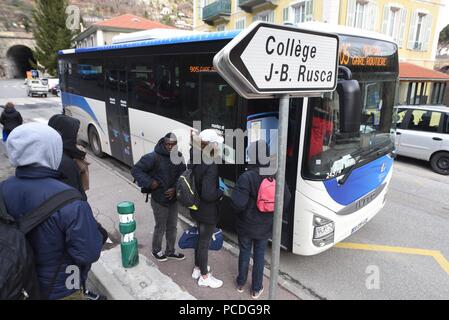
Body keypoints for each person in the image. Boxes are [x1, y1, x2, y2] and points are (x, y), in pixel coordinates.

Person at [0, 123, 103, 300]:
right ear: (51, 151)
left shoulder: (3, 189)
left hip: (16, 286)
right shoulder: (71, 200)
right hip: (62, 289)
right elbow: (88, 253)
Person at [48, 114, 107, 300]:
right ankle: (78, 289)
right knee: (75, 259)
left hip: (70, 216)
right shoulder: (63, 162)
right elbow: (74, 196)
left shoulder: (61, 156)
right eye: (72, 134)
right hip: (71, 218)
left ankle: (80, 287)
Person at [230, 140, 291, 299]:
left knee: (244, 252)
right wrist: (272, 213)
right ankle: (256, 288)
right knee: (259, 255)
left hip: (245, 225)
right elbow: (287, 197)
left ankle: (241, 283)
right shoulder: (275, 173)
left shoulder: (247, 176)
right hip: (265, 225)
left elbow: (238, 203)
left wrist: (242, 214)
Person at [131, 133, 186, 261]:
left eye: (173, 144)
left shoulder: (178, 156)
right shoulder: (153, 157)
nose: (170, 147)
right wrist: (150, 183)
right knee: (160, 226)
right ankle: (156, 250)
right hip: (159, 199)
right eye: (168, 144)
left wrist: (175, 188)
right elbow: (136, 170)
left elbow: (182, 175)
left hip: (173, 199)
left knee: (172, 226)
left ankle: (170, 251)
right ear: (163, 142)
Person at [189, 129, 224, 289]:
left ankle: (197, 268)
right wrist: (221, 192)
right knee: (204, 242)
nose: (218, 146)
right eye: (216, 143)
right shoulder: (210, 163)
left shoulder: (196, 155)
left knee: (200, 239)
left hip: (196, 207)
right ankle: (204, 276)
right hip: (207, 210)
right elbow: (209, 194)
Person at [48, 114, 88, 200]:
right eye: (74, 133)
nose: (77, 136)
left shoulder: (54, 153)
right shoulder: (64, 163)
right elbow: (72, 196)